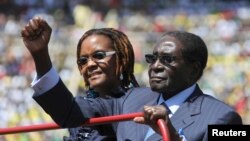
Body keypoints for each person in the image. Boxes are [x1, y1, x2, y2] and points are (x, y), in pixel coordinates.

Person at [21, 17, 242, 141]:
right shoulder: (130, 99)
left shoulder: (225, 118)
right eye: (152, 58)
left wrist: (171, 136)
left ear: (194, 70)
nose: (155, 66)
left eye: (167, 59)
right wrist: (40, 56)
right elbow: (69, 113)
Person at [21, 17, 140, 141]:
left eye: (99, 56)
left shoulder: (133, 101)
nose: (90, 64)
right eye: (83, 60)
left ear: (121, 60)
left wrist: (40, 54)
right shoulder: (85, 104)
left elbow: (67, 110)